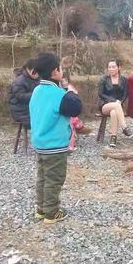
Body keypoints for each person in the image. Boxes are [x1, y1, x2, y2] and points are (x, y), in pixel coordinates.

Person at [29, 53, 82, 224]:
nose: (62, 70)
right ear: (54, 71)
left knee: (43, 176)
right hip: (55, 145)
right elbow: (75, 109)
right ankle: (52, 212)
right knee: (55, 178)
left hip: (40, 143)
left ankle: (41, 208)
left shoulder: (37, 90)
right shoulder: (58, 94)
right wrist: (70, 91)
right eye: (60, 67)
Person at [98, 59, 133, 148]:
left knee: (114, 112)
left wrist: (120, 101)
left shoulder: (124, 80)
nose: (111, 69)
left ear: (119, 67)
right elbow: (101, 94)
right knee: (116, 106)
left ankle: (113, 138)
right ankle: (124, 127)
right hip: (105, 105)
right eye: (109, 67)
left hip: (117, 106)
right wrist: (114, 101)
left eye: (113, 67)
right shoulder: (104, 79)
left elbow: (125, 94)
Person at [8, 58, 39, 127]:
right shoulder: (19, 81)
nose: (37, 74)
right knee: (42, 122)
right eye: (35, 71)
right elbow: (21, 97)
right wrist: (37, 94)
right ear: (28, 69)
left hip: (32, 109)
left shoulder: (37, 79)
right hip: (21, 111)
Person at [61, 74, 86, 152]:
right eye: (62, 81)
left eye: (65, 80)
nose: (64, 82)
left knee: (71, 127)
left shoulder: (70, 89)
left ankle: (70, 146)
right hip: (65, 112)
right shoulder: (59, 88)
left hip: (70, 112)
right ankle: (78, 126)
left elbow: (75, 101)